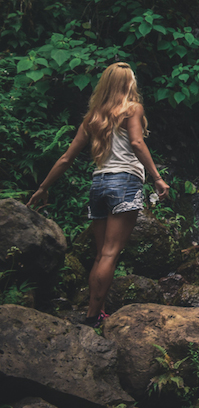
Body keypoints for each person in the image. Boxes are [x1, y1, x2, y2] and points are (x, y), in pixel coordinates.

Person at [26, 62, 170, 327]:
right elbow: (137, 143)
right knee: (110, 254)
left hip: (99, 184)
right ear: (128, 84)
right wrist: (157, 178)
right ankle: (92, 317)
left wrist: (43, 187)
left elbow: (66, 158)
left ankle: (98, 310)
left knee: (100, 254)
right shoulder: (132, 109)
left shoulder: (92, 118)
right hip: (124, 182)